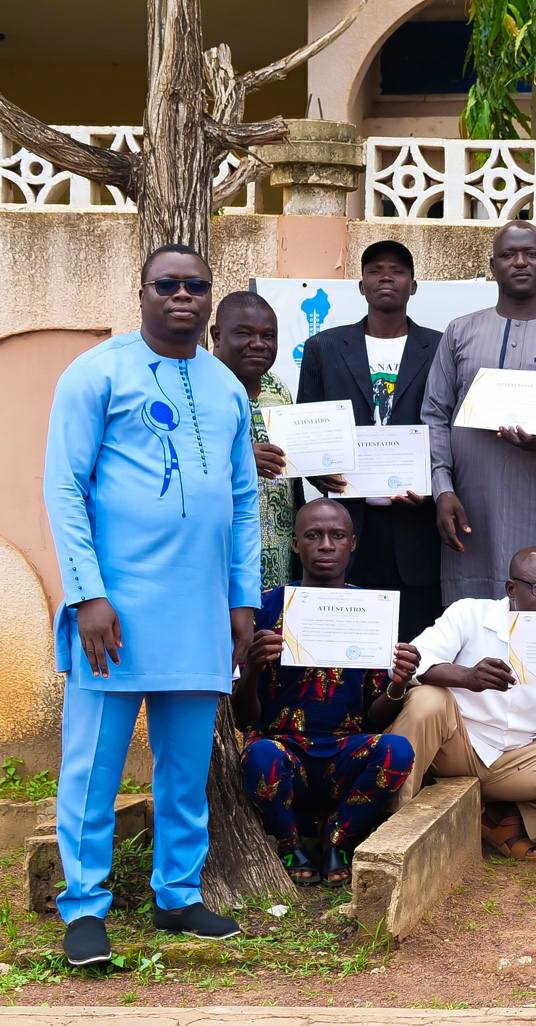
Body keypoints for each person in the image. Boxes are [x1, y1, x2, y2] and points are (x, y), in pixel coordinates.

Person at [43, 244, 259, 966]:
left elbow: (243, 499)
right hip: (116, 613)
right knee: (92, 768)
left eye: (196, 287)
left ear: (208, 298)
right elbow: (64, 489)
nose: (183, 297)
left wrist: (241, 601)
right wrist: (88, 595)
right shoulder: (96, 373)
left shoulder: (227, 387)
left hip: (199, 614)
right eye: (167, 285)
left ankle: (177, 894)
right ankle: (82, 907)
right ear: (141, 293)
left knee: (185, 766)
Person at [389, 546, 536, 862]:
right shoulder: (471, 614)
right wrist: (467, 677)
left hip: (519, 756)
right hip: (457, 744)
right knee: (427, 698)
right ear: (511, 589)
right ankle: (393, 824)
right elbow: (414, 663)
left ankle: (500, 821)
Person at [421, 221, 536, 603]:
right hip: (468, 510)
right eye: (508, 254)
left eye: (531, 254)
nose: (520, 262)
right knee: (471, 624)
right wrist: (442, 490)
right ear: (492, 266)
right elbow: (434, 416)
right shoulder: (460, 333)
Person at [233, 500, 418, 887]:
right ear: (295, 544)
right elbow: (243, 718)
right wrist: (250, 669)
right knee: (260, 753)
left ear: (353, 543)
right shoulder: (267, 607)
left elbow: (373, 718)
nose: (326, 545)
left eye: (337, 536)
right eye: (314, 536)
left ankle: (339, 839)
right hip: (283, 751)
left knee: (397, 750)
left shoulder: (371, 610)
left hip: (343, 751)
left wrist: (398, 684)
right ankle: (291, 843)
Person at [297, 239, 445, 640]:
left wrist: (434, 488)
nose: (386, 277)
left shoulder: (441, 347)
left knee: (413, 651)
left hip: (417, 527)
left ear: (413, 285)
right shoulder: (323, 348)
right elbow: (307, 431)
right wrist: (320, 473)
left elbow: (451, 429)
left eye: (397, 271)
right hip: (349, 525)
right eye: (375, 269)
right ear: (360, 284)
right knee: (350, 649)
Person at [212, 291, 301, 591]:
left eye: (269, 335)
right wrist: (242, 458)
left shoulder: (278, 388)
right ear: (217, 335)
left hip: (278, 562)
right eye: (245, 334)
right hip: (219, 558)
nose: (259, 344)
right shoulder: (197, 387)